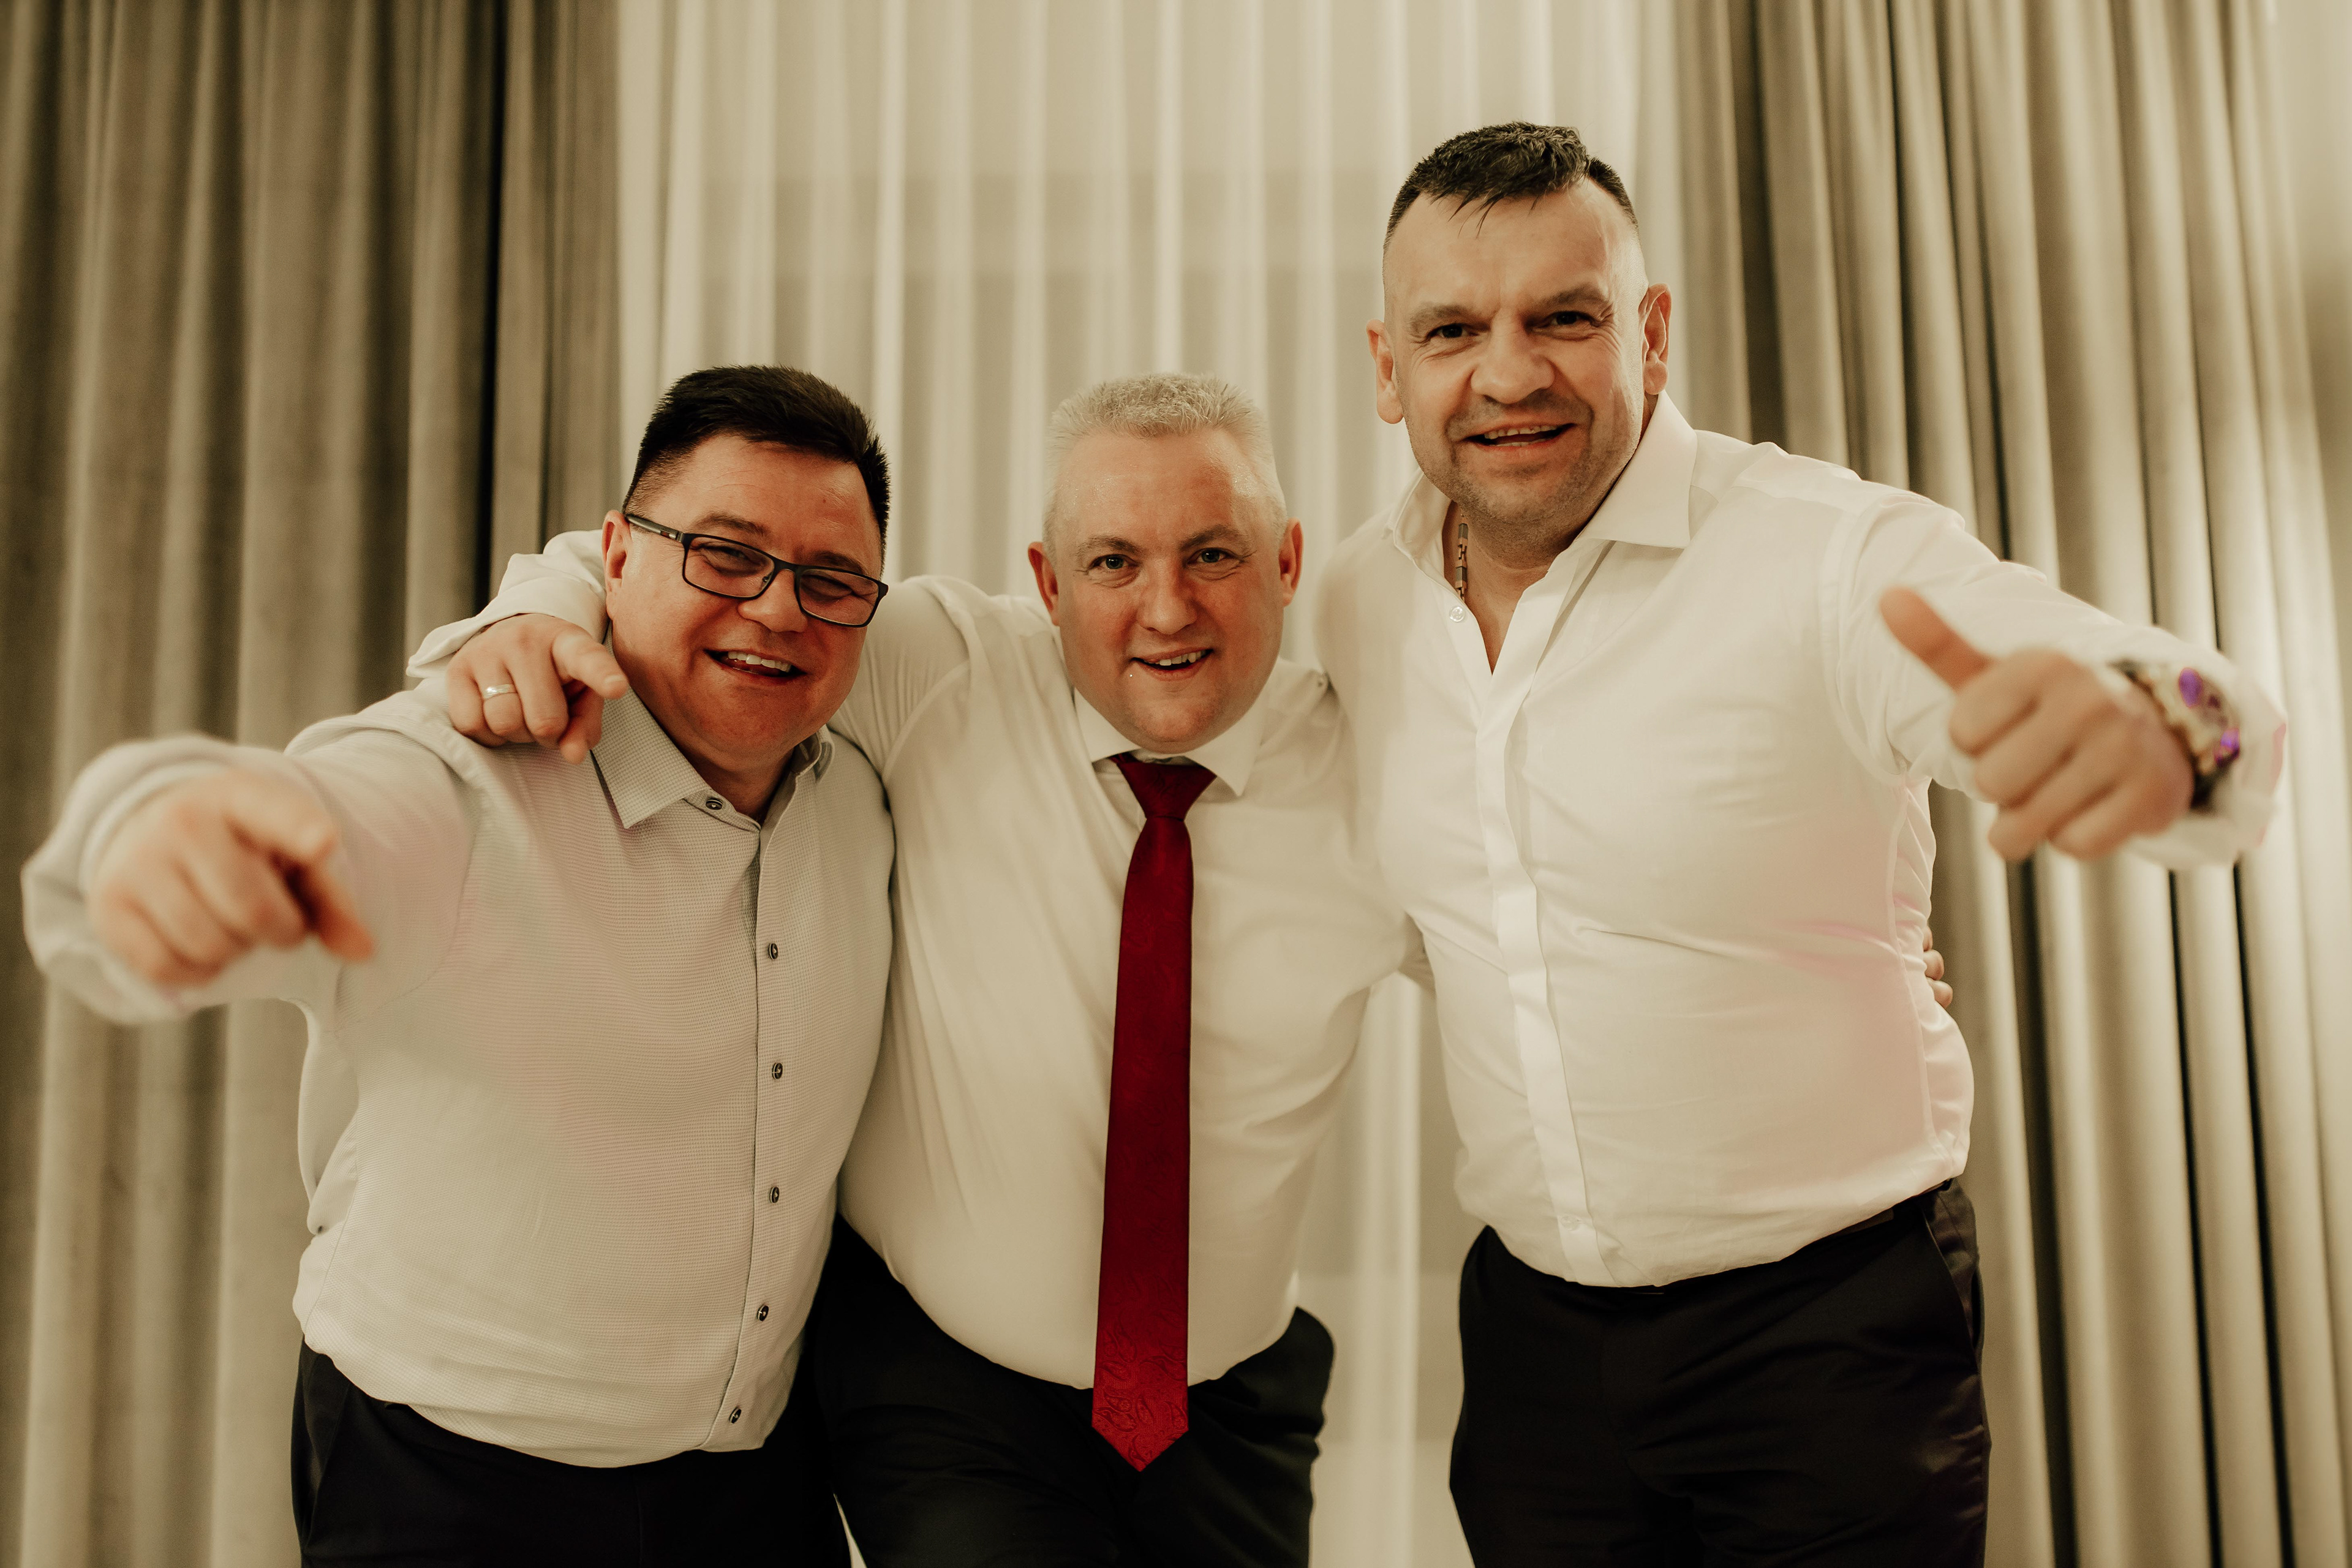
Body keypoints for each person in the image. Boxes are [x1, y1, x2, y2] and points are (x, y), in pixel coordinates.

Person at [1311, 123, 2287, 1564]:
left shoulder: (1831, 554)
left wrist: (2161, 727)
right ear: (1389, 367)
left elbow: (2175, 688)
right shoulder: (1353, 605)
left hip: (1827, 1341)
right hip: (1533, 1359)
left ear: (1649, 332)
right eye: (1453, 329)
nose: (1509, 373)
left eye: (1563, 317)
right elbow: (1445, 905)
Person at [412, 373, 1414, 1567]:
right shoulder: (940, 670)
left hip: (1236, 1408)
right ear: (1047, 582)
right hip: (949, 1390)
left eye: (1213, 554)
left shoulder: (1385, 782)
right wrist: (536, 616)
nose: (1166, 609)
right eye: (1112, 563)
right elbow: (687, 568)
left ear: (1287, 560)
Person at [21, 366, 897, 1567]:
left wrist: (551, 591)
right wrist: (159, 832)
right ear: (618, 557)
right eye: (725, 555)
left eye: (829, 579)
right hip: (447, 1474)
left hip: (753, 1483)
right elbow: (327, 803)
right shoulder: (470, 775)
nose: (779, 609)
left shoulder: (866, 789)